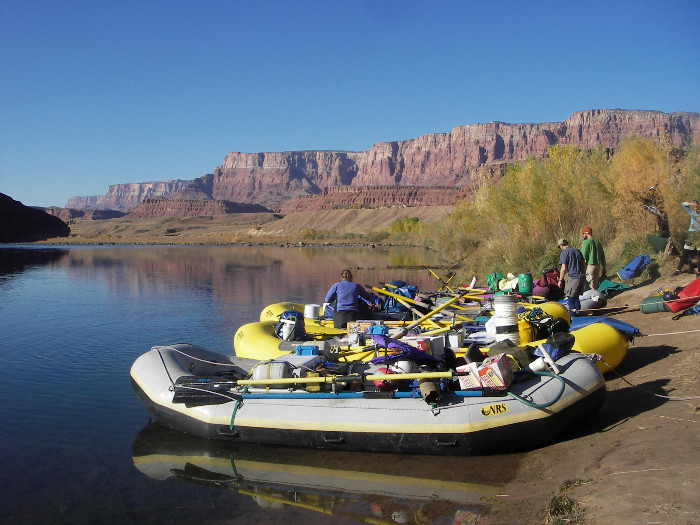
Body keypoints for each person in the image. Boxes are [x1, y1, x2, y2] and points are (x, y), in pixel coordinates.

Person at [557, 238, 586, 316]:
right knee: (576, 297)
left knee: (570, 297)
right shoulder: (577, 251)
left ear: (560, 246)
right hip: (582, 276)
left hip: (573, 277)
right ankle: (578, 314)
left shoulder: (564, 253)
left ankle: (573, 317)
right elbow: (584, 264)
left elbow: (563, 268)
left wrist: (560, 280)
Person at [674, 200, 700, 277]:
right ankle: (678, 270)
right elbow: (683, 204)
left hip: (699, 234)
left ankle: (699, 272)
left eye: (697, 205)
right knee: (686, 250)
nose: (695, 207)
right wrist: (692, 204)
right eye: (694, 205)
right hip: (692, 233)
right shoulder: (692, 212)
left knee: (699, 252)